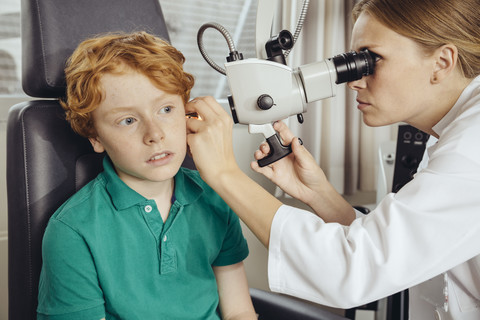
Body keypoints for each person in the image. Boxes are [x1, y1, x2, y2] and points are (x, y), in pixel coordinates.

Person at [185, 0, 480, 318]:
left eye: (372, 59)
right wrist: (318, 193)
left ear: (442, 61)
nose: (354, 80)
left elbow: (355, 269)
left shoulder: (470, 149)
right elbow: (398, 246)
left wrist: (225, 173)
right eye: (356, 61)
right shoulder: (452, 132)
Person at [37, 31, 256, 320]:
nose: (155, 134)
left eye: (166, 109)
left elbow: (239, 310)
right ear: (95, 137)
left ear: (187, 112)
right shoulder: (73, 230)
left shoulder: (215, 197)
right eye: (128, 120)